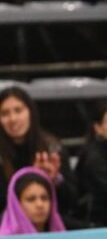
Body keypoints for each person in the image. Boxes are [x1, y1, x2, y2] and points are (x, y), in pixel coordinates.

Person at [0, 85, 77, 221]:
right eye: (5, 114)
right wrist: (29, 181)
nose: (13, 119)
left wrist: (54, 180)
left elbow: (72, 202)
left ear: (31, 112)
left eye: (18, 111)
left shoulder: (52, 148)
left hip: (48, 225)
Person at [0, 168, 66, 236]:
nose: (40, 205)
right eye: (31, 199)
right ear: (16, 205)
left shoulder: (63, 236)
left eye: (44, 198)